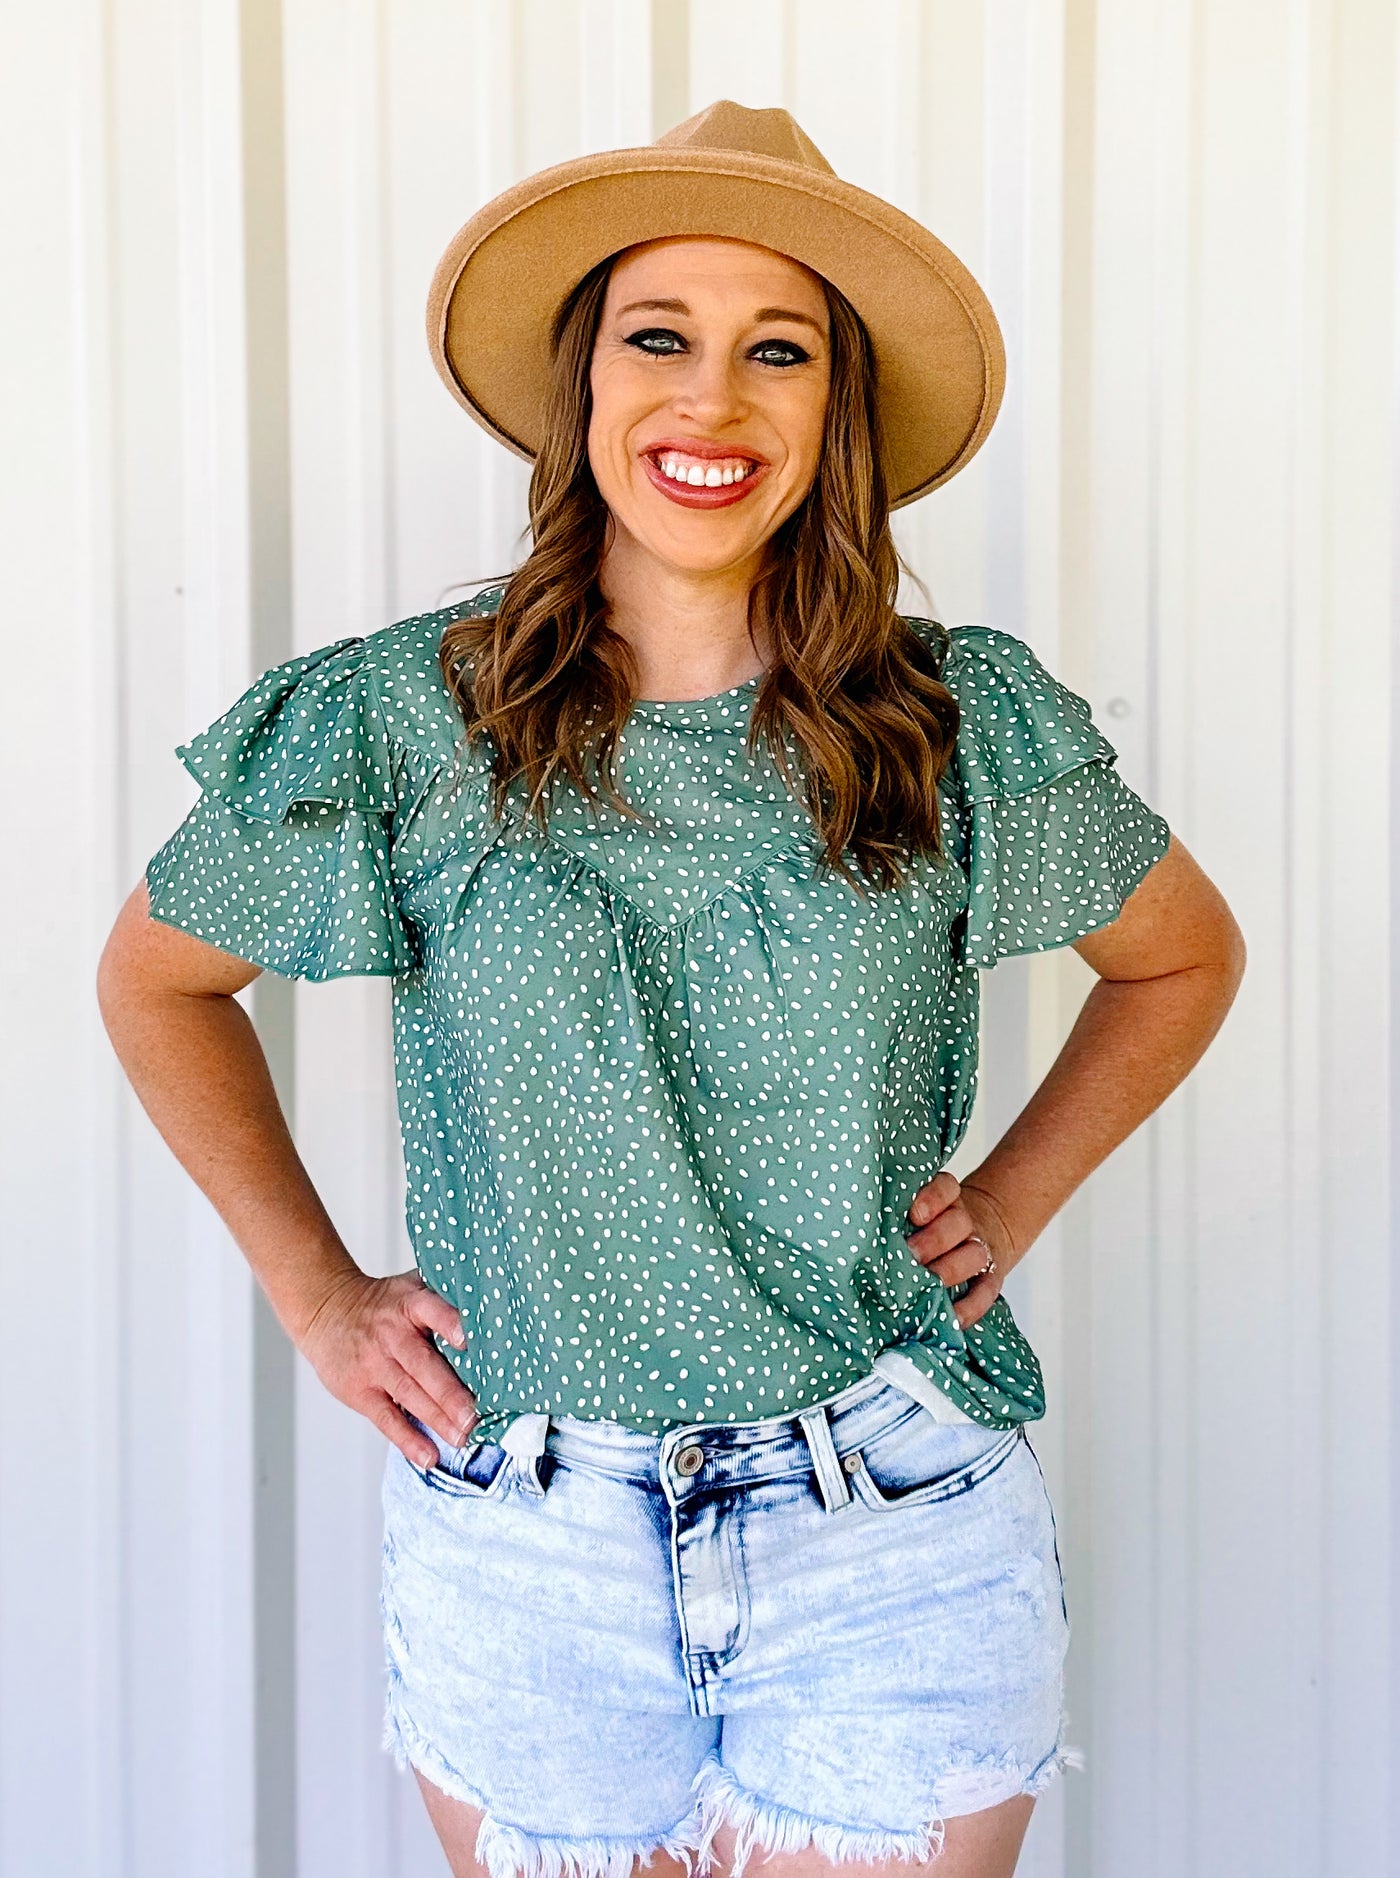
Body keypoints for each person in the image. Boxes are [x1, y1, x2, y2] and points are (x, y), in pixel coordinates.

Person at [98, 102, 1245, 1878]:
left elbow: (1180, 956)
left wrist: (1014, 1193)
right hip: (525, 1526)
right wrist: (315, 1291)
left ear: (831, 422)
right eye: (661, 338)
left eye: (774, 352)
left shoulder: (957, 722)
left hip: (892, 1515)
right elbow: (157, 983)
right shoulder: (405, 718)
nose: (710, 400)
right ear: (582, 396)